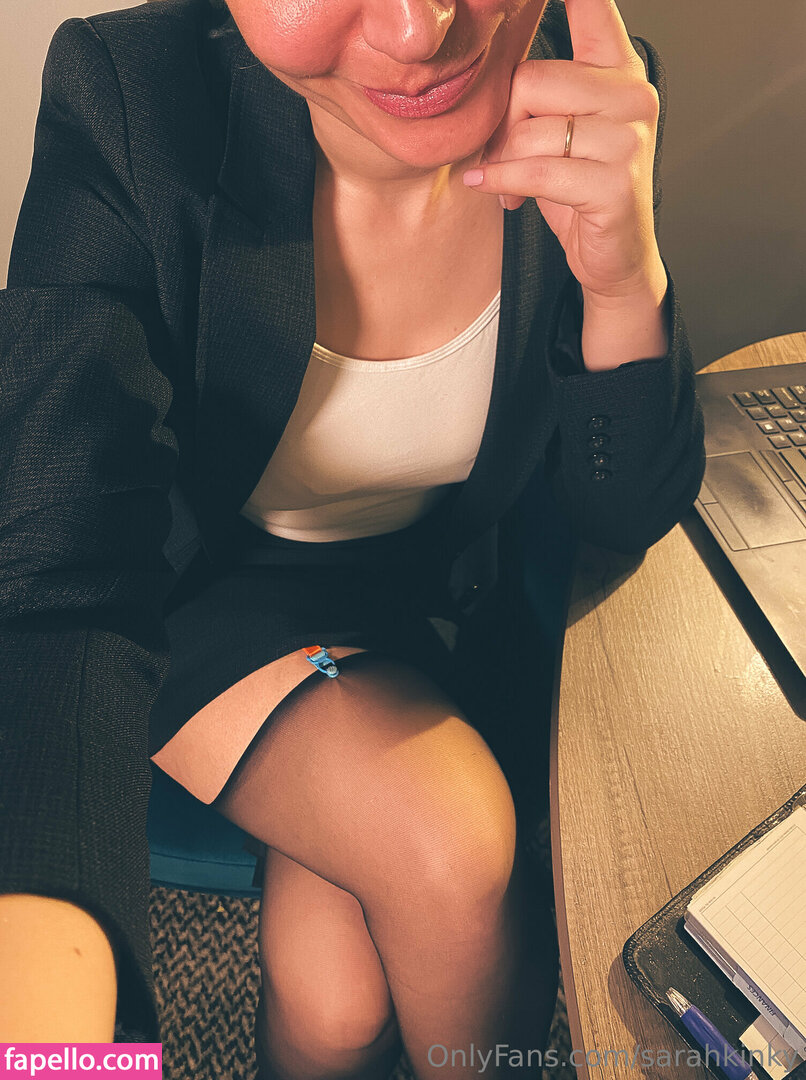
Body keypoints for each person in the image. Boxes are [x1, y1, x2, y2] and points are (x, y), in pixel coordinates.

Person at [0, 0, 705, 1074]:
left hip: (413, 603)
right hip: (197, 594)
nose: (418, 30)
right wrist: (58, 1027)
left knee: (336, 1002)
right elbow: (63, 557)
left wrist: (623, 286)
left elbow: (620, 514)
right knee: (451, 846)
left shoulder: (584, 87)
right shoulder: (133, 97)